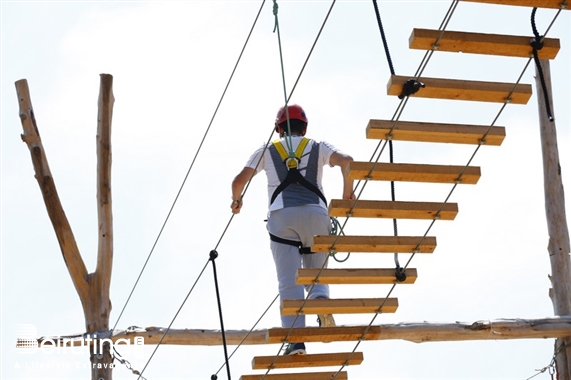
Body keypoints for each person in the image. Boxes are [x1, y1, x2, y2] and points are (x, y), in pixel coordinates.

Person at [230, 104, 355, 355]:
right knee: (316, 275)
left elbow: (238, 181)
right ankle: (320, 299)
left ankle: (296, 340)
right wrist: (347, 194)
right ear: (304, 127)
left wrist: (237, 200)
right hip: (317, 216)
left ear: (278, 129)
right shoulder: (318, 146)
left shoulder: (266, 150)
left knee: (289, 282)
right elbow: (348, 161)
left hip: (282, 218)